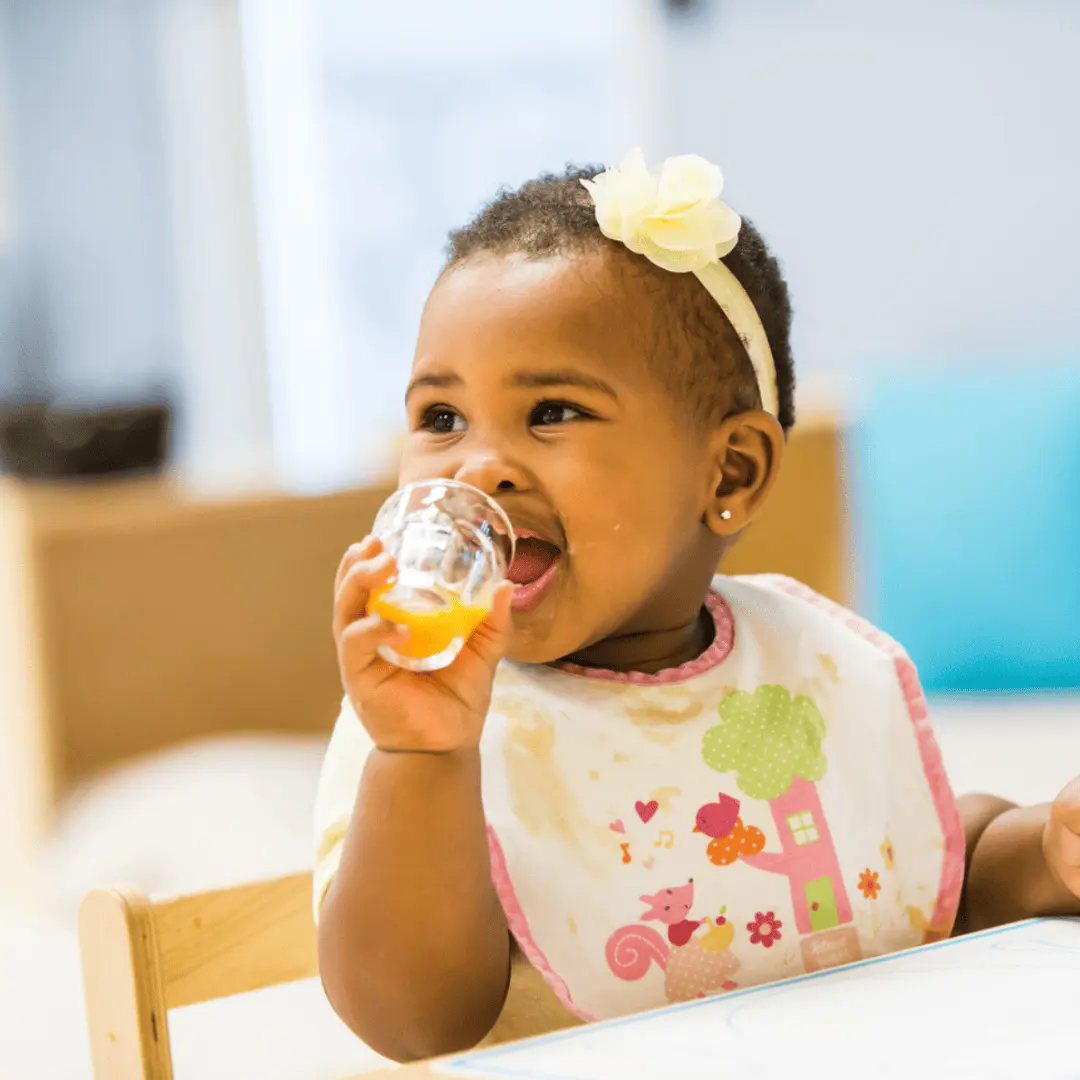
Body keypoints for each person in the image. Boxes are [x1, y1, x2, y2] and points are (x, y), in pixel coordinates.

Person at [312, 150, 1080, 1063]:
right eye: (441, 419)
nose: (478, 467)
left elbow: (927, 874)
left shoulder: (809, 661)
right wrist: (424, 759)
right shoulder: (422, 718)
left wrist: (1043, 854)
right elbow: (412, 1020)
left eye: (552, 411)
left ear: (731, 472)